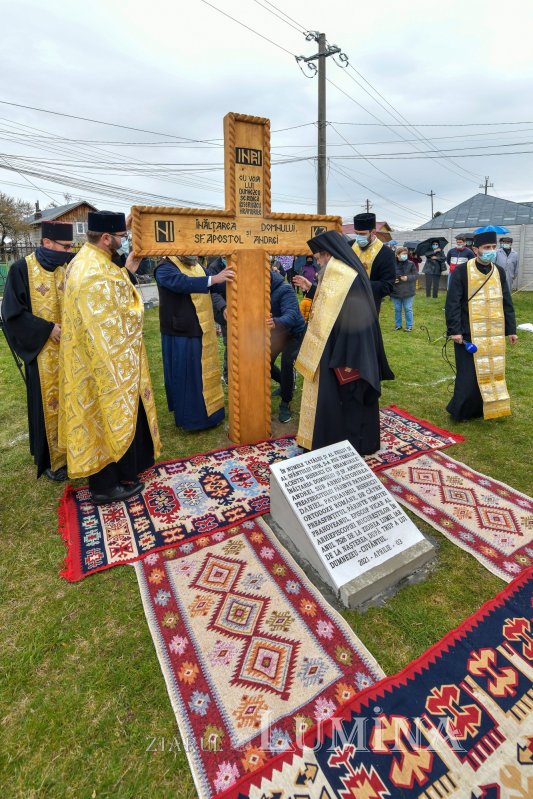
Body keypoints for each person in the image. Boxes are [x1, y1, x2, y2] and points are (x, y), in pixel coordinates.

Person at [58, 211, 161, 505]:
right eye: (120, 236)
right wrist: (135, 307)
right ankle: (104, 487)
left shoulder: (88, 262)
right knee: (102, 417)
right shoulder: (92, 271)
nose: (124, 239)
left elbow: (114, 290)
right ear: (106, 239)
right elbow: (122, 314)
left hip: (89, 358)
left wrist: (126, 271)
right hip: (101, 361)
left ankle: (120, 473)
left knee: (101, 418)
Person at [294, 230, 394, 455]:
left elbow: (356, 318)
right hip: (330, 346)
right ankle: (322, 440)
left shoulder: (347, 277)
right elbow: (328, 305)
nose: (318, 263)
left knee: (346, 400)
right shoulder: (334, 274)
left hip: (346, 351)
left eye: (318, 258)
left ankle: (346, 445)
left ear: (328, 254)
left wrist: (345, 357)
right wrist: (311, 289)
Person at [1, 221, 74, 481]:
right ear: (47, 243)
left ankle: (74, 453)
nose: (68, 251)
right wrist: (46, 330)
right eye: (64, 247)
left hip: (71, 352)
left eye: (70, 247)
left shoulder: (68, 267)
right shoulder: (21, 269)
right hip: (42, 353)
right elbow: (11, 313)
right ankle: (52, 461)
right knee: (49, 405)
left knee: (73, 401)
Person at [154, 255, 234, 431]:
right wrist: (214, 278)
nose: (192, 254)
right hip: (181, 332)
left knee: (205, 374)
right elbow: (182, 283)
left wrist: (233, 279)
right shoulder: (164, 267)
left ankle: (213, 415)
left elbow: (214, 284)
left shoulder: (197, 265)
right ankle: (193, 420)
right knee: (189, 378)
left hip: (201, 328)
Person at [445, 229, 517, 421]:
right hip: (468, 333)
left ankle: (483, 409)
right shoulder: (462, 271)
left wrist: (511, 330)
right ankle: (461, 412)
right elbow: (452, 303)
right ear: (476, 249)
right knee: (468, 376)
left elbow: (506, 302)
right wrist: (455, 331)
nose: (491, 251)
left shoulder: (498, 271)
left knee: (491, 372)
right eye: (487, 248)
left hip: (492, 333)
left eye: (494, 247)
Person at [268, 269, 306, 423]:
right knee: (264, 361)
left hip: (293, 333)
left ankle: (286, 402)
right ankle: (285, 384)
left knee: (286, 363)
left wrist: (276, 321)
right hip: (278, 333)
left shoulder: (285, 289)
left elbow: (291, 315)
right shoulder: (258, 289)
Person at [350, 212, 396, 312]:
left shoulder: (386, 253)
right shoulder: (349, 246)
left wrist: (358, 285)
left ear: (373, 232)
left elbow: (387, 286)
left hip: (369, 307)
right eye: (356, 233)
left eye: (362, 234)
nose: (358, 237)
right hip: (346, 304)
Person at [391, 247, 417, 331]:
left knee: (407, 308)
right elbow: (388, 275)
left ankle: (409, 326)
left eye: (406, 254)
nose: (405, 255)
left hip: (408, 290)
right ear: (397, 255)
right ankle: (398, 325)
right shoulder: (392, 264)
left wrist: (408, 278)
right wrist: (393, 279)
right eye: (403, 254)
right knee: (397, 309)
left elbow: (416, 275)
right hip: (395, 290)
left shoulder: (411, 264)